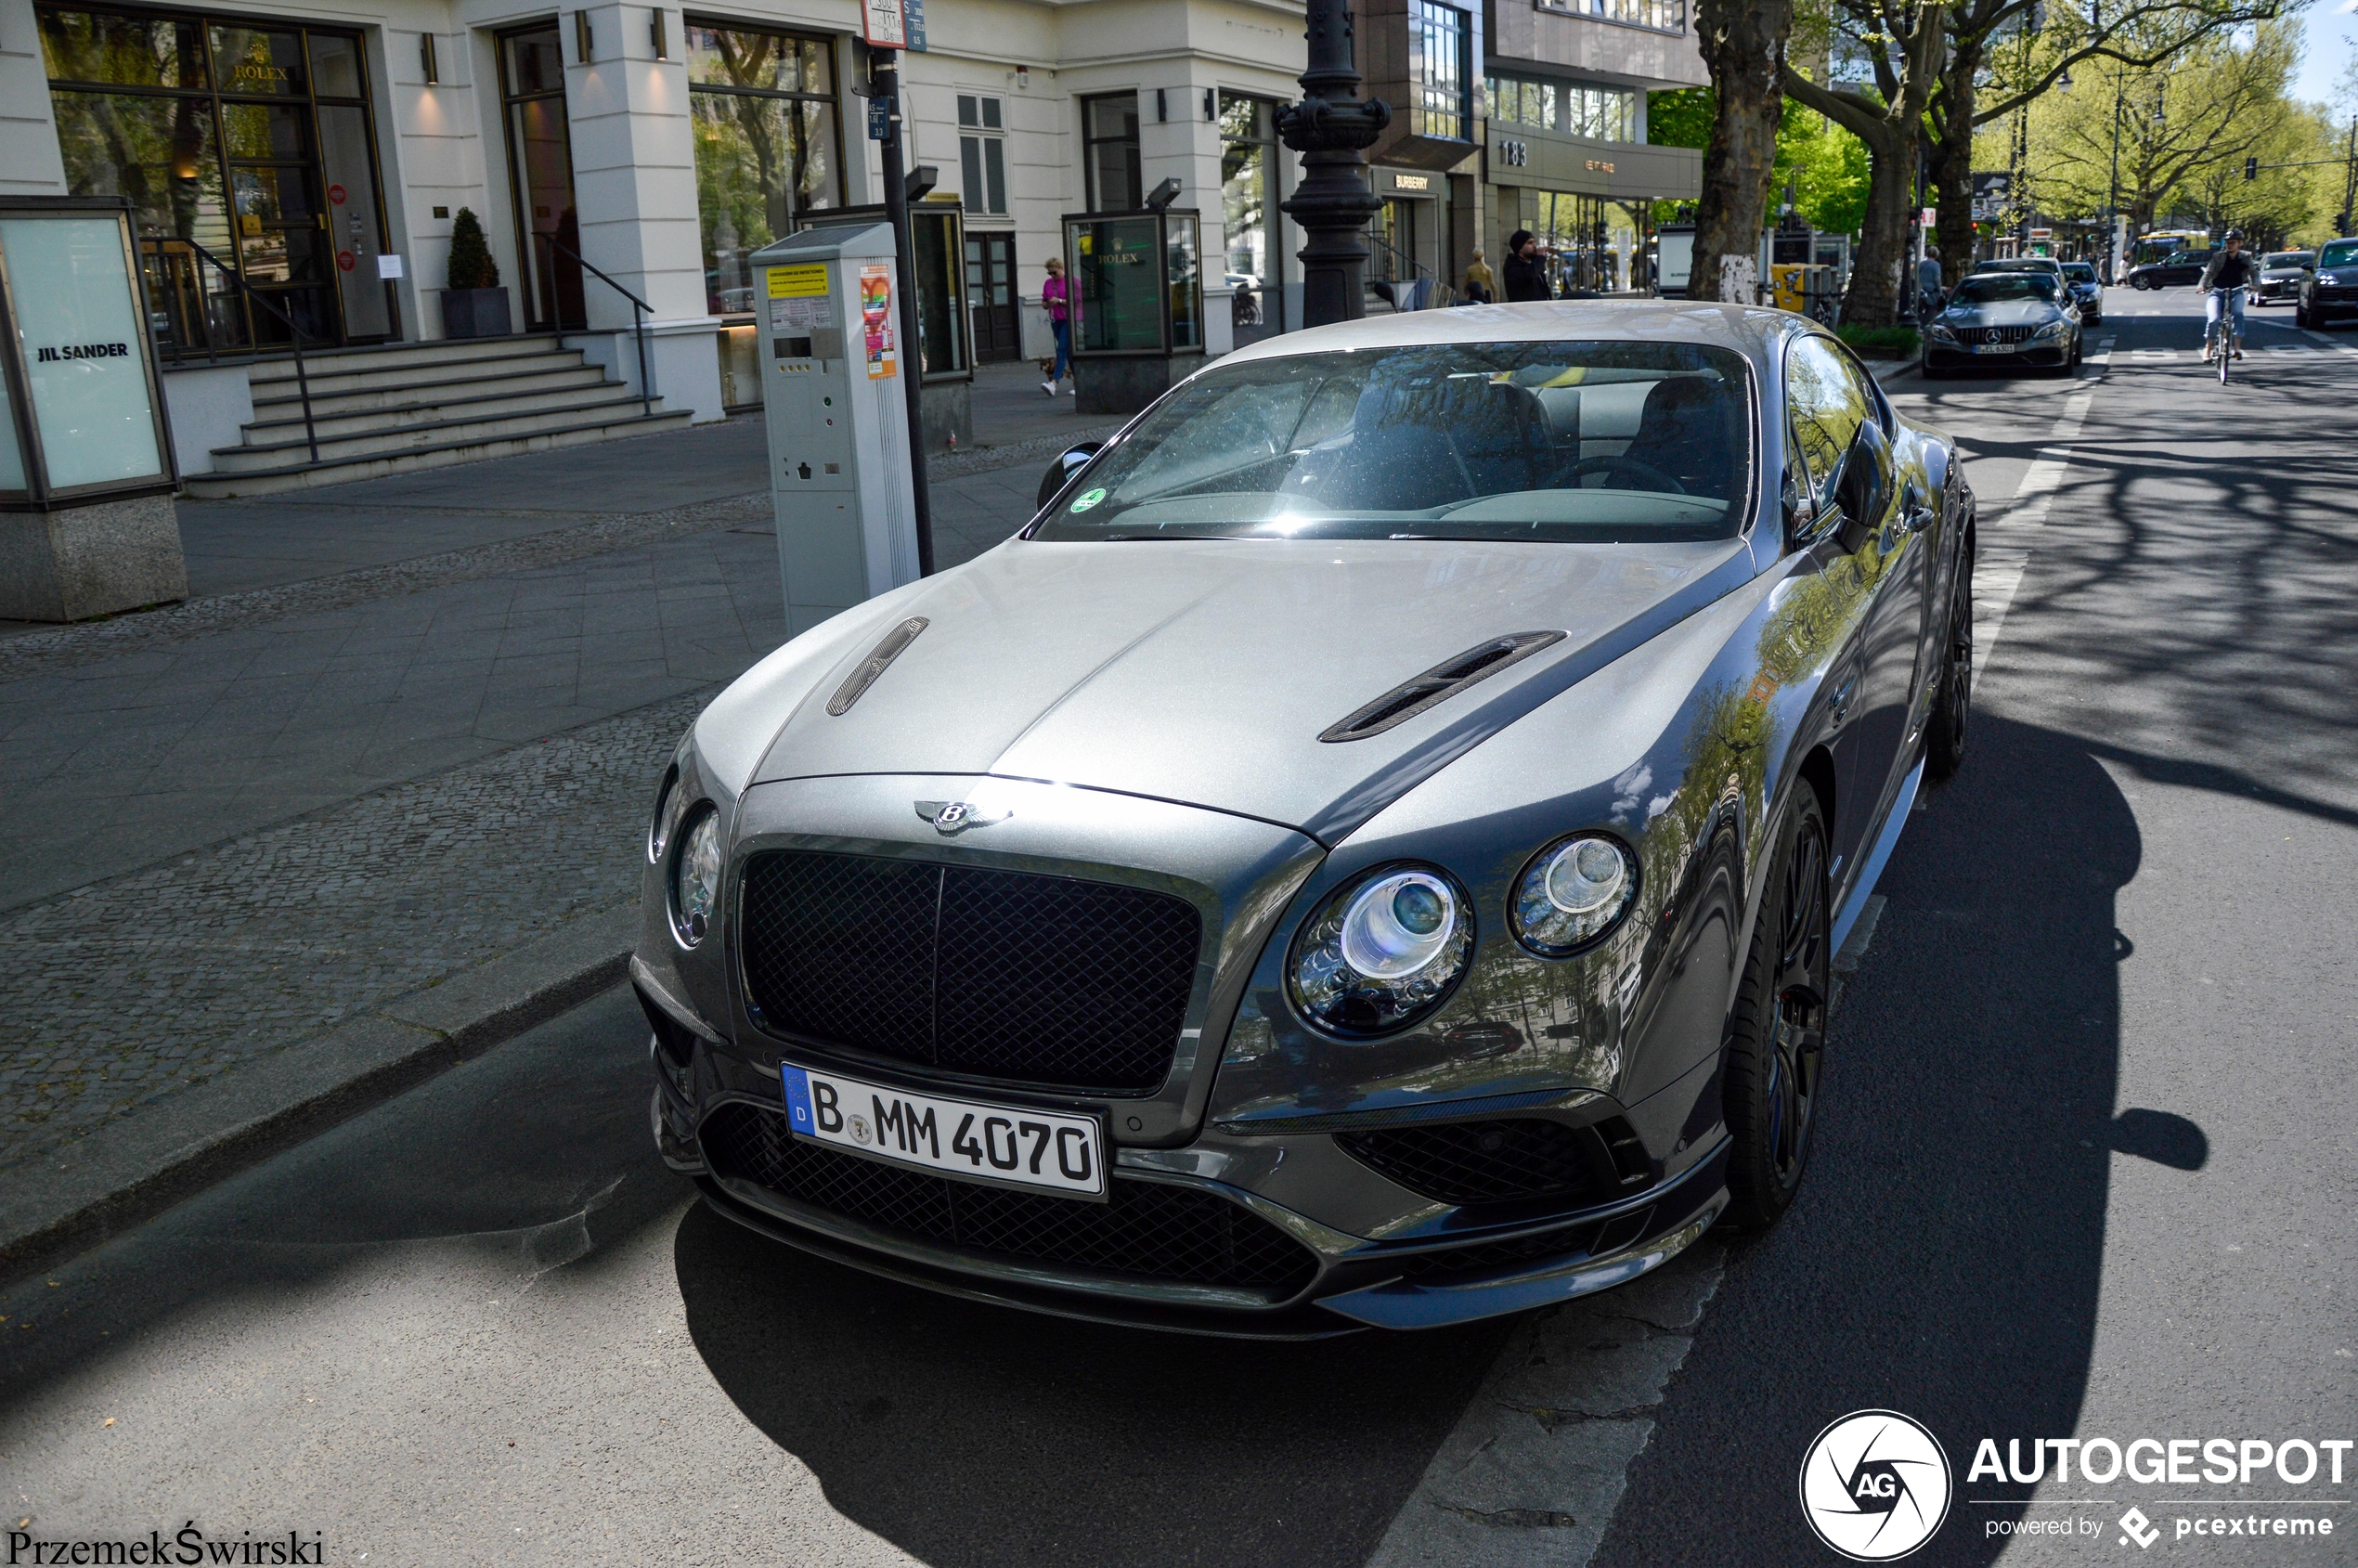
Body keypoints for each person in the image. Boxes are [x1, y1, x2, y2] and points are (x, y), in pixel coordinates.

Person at [2198, 232, 2258, 363]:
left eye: (2233, 243)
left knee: (2238, 313)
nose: (2229, 245)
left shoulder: (2246, 257)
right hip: (2217, 292)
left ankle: (2237, 348)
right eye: (2227, 243)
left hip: (2236, 291)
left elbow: (2254, 272)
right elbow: (2208, 272)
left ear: (2240, 243)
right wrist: (2202, 285)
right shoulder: (2218, 256)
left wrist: (2255, 285)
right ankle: (2207, 349)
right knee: (2214, 319)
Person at [1040, 256, 1073, 395]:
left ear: (1061, 269)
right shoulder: (1048, 283)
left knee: (1061, 351)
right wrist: (1047, 303)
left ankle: (1054, 383)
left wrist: (1059, 300)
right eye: (1050, 273)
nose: (1052, 276)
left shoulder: (1071, 282)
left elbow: (1076, 300)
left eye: (1054, 272)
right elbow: (1043, 303)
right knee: (1068, 352)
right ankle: (1080, 383)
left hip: (1068, 320)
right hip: (1055, 320)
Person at [1501, 230, 1551, 302]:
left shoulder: (1533, 263)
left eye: (1534, 242)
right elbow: (1529, 275)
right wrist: (1540, 258)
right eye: (1530, 243)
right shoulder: (1512, 265)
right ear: (1520, 248)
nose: (1534, 245)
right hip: (1523, 309)